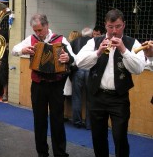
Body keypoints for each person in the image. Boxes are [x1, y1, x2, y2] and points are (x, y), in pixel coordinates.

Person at [76, 9, 146, 157]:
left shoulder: (132, 43)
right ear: (105, 25)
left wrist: (123, 50)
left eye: (118, 26)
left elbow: (138, 69)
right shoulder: (94, 41)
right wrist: (98, 52)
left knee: (120, 137)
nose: (114, 31)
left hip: (118, 98)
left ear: (124, 25)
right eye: (110, 27)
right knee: (98, 137)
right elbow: (79, 62)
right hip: (97, 96)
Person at [12, 14, 75, 157]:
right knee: (39, 120)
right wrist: (23, 50)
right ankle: (42, 152)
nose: (38, 34)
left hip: (56, 85)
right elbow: (14, 49)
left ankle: (60, 153)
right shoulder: (31, 39)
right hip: (38, 85)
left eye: (40, 30)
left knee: (57, 120)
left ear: (47, 25)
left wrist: (68, 58)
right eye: (35, 31)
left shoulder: (60, 39)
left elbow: (74, 58)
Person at [70, 27, 92, 129]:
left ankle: (77, 122)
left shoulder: (74, 42)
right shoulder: (94, 42)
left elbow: (70, 57)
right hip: (90, 72)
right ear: (91, 34)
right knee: (90, 99)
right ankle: (89, 124)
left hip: (77, 71)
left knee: (77, 97)